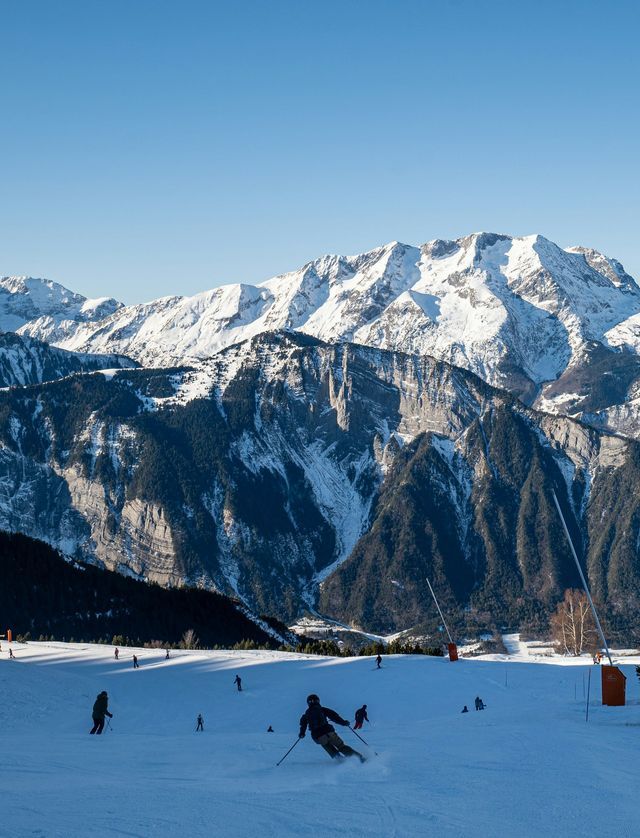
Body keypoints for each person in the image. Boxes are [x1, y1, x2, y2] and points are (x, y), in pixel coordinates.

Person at [299, 694, 365, 763]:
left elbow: (303, 725)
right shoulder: (322, 709)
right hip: (329, 732)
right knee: (341, 746)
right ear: (318, 701)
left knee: (327, 746)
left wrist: (302, 733)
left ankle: (341, 761)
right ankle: (359, 758)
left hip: (318, 736)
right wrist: (343, 722)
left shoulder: (306, 714)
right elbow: (334, 717)